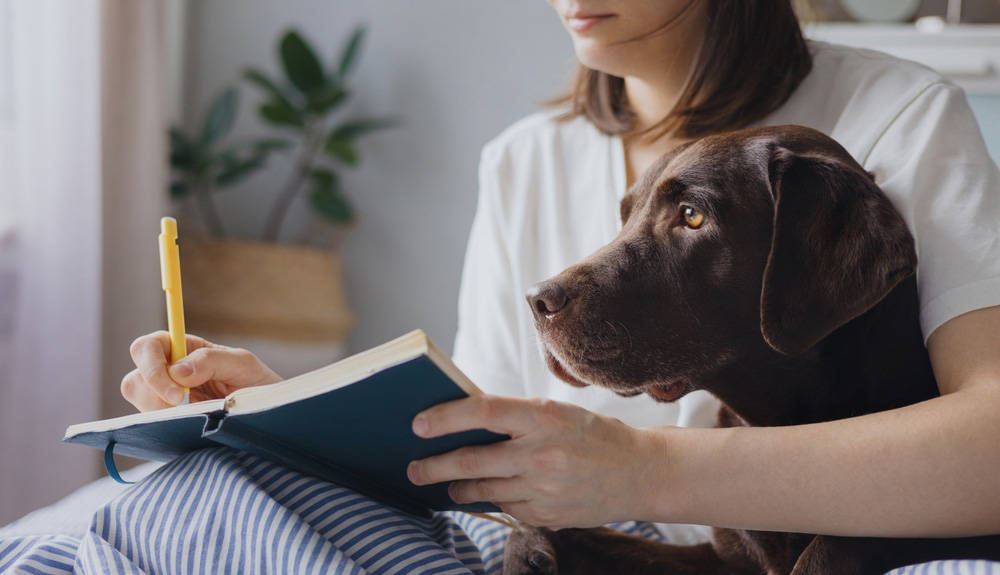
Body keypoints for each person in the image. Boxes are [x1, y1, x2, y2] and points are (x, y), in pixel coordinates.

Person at [125, 1, 1000, 547]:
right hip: (591, 572)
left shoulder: (897, 120)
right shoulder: (522, 161)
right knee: (186, 509)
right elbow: (481, 463)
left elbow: (989, 450)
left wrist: (648, 470)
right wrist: (277, 414)